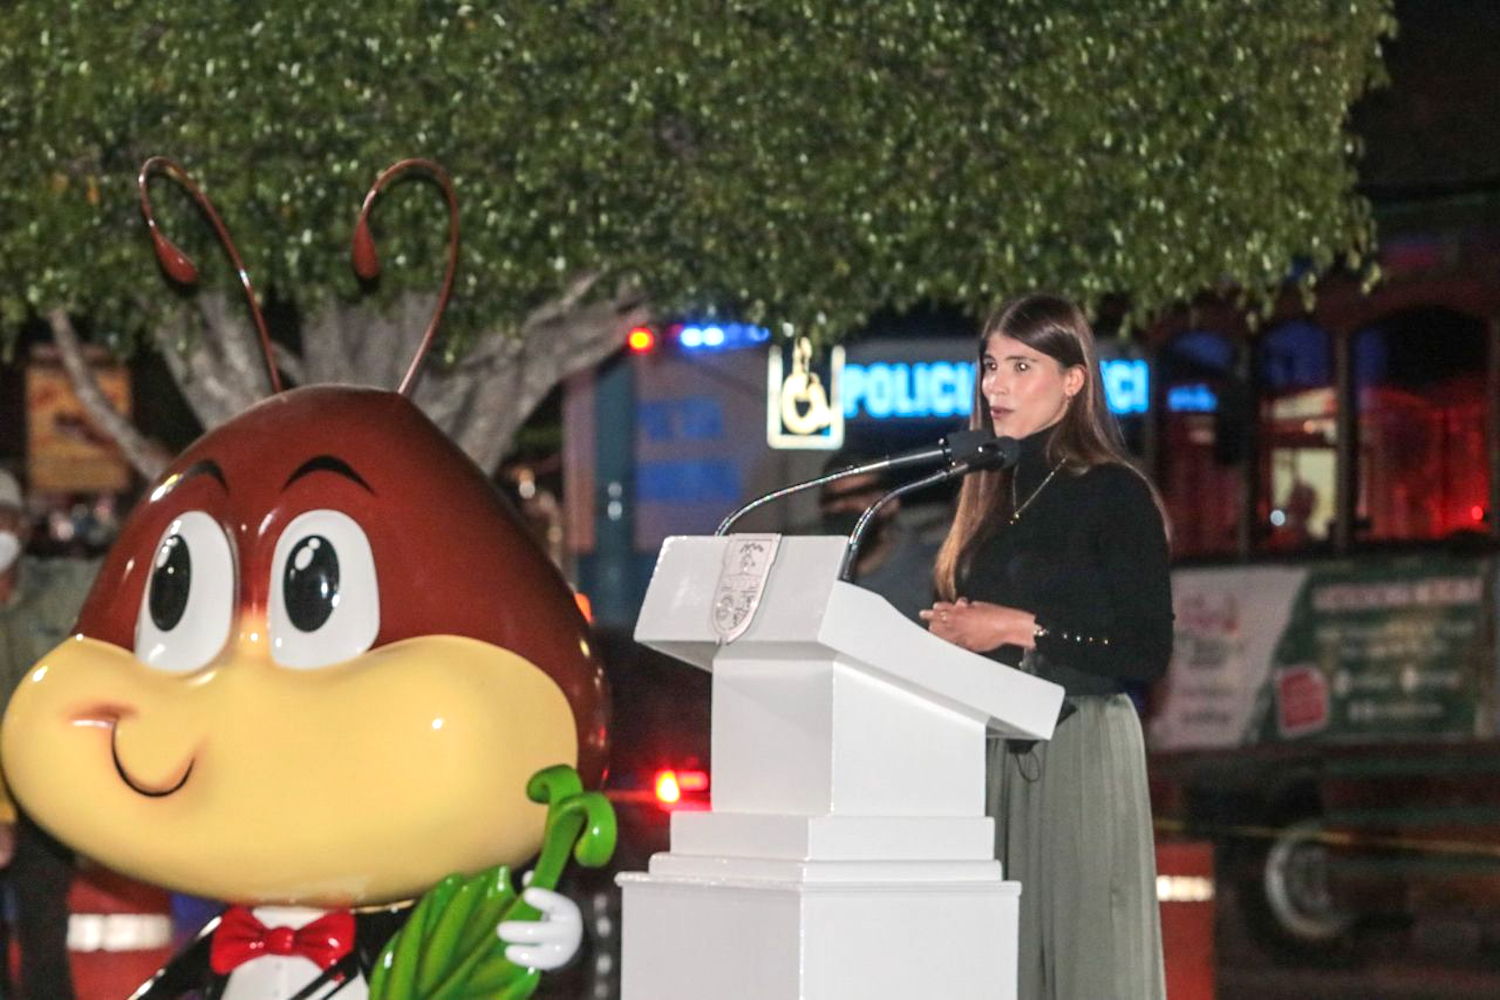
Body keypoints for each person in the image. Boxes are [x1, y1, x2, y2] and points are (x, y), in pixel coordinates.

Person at [919, 294, 1170, 1000]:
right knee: (1001, 971)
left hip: (1079, 747)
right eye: (990, 365)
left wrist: (1013, 627)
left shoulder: (1114, 493)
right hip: (991, 750)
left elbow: (1145, 649)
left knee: (1086, 963)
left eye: (1021, 367)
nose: (995, 385)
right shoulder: (988, 492)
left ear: (1073, 380)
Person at [0, 469, 98, 1000]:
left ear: (21, 524)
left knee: (44, 929)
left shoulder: (66, 589)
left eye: (1, 517)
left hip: (45, 798)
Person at [817, 448, 941, 624]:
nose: (846, 506)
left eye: (860, 495)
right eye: (835, 498)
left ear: (891, 502)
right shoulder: (813, 577)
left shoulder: (935, 573)